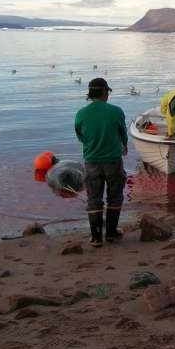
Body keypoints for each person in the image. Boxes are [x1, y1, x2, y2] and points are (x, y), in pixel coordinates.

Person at [75, 78, 128, 247]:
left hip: (92, 160)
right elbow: (122, 133)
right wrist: (124, 146)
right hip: (113, 159)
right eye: (108, 92)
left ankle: (96, 237)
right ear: (105, 92)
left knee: (94, 198)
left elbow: (80, 136)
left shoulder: (81, 114)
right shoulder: (116, 111)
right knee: (115, 196)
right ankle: (111, 233)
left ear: (90, 94)